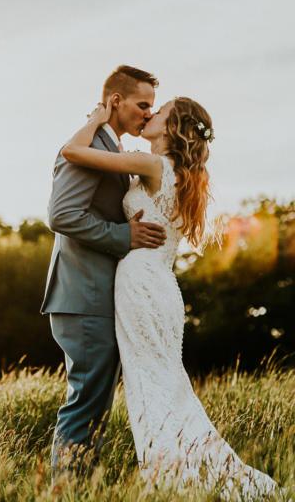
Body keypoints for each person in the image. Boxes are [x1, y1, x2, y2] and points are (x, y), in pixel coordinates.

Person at [61, 95, 280, 498]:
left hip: (142, 283)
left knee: (150, 385)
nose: (150, 114)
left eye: (158, 112)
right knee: (164, 383)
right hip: (161, 285)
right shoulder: (180, 173)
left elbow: (72, 152)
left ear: (174, 125)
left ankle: (172, 479)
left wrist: (96, 118)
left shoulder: (154, 165)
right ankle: (192, 474)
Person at [42, 65, 166, 477]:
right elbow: (62, 214)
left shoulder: (108, 147)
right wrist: (122, 236)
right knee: (86, 404)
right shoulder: (92, 144)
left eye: (152, 106)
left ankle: (75, 484)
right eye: (142, 104)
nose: (148, 114)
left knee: (94, 404)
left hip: (98, 297)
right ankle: (65, 490)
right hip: (84, 296)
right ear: (116, 101)